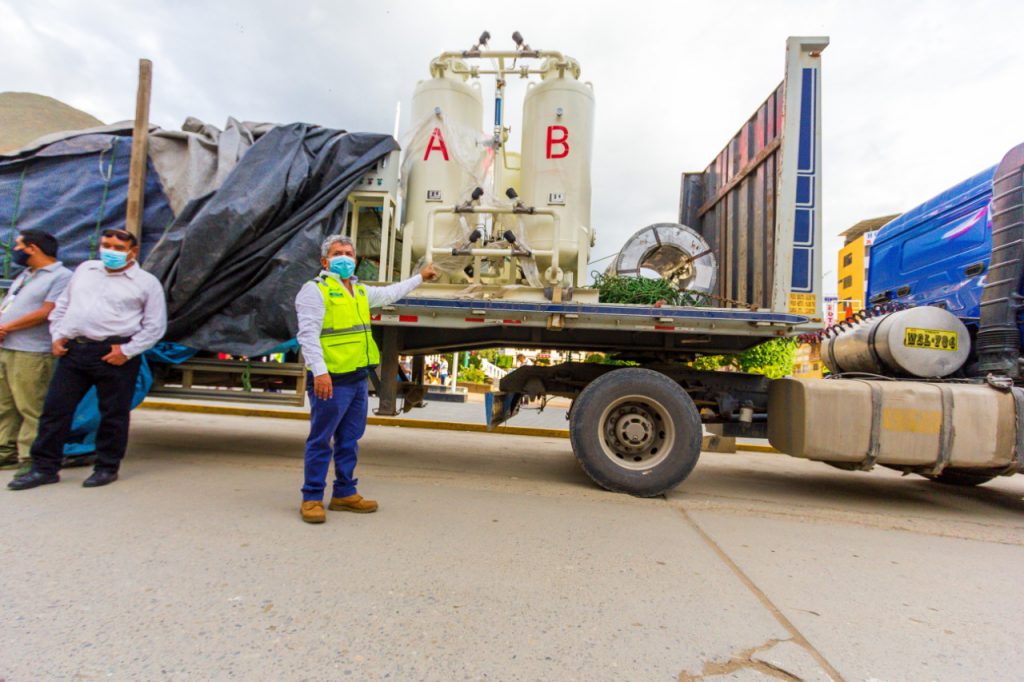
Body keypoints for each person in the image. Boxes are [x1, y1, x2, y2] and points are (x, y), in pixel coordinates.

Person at [8, 228, 167, 491]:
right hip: (75, 350)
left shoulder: (146, 283)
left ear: (133, 252)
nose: (110, 252)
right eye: (106, 245)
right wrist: (58, 336)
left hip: (115, 353)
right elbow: (63, 306)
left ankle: (106, 467)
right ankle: (44, 468)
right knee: (55, 410)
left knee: (113, 414)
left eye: (118, 248)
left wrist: (126, 352)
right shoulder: (85, 270)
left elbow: (154, 326)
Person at [294, 235, 436, 524]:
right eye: (338, 253)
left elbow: (390, 294)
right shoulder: (314, 290)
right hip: (331, 379)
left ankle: (344, 493)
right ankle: (311, 498)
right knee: (321, 440)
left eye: (349, 252)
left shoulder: (359, 291)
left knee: (349, 439)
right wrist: (319, 372)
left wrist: (419, 277)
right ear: (325, 261)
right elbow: (307, 335)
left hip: (357, 379)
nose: (345, 257)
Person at [0, 231, 72, 476]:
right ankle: (5, 451)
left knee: (31, 406)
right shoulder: (27, 275)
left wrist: (6, 327)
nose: (15, 250)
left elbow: (47, 312)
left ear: (33, 248)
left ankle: (32, 457)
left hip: (32, 351)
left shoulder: (61, 277)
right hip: (8, 347)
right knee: (5, 405)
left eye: (19, 245)